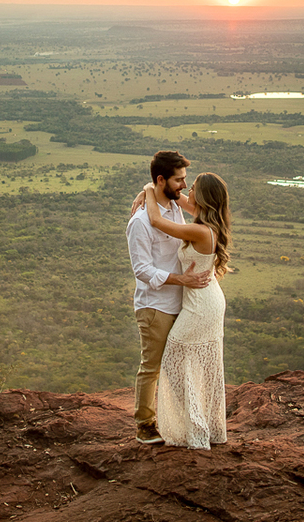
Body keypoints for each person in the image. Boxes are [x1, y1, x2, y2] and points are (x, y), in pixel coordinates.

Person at [141, 170, 232, 450]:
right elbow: (179, 200)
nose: (186, 192)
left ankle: (197, 428)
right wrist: (159, 190)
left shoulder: (199, 230)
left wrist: (147, 188)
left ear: (201, 196)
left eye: (191, 188)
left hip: (201, 306)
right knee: (200, 364)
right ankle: (207, 427)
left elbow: (156, 220)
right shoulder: (207, 222)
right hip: (206, 299)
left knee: (173, 360)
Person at [127, 150, 212, 446]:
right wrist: (182, 279)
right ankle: (144, 425)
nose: (184, 186)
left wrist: (147, 189)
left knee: (180, 364)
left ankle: (181, 420)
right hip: (156, 305)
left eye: (185, 180)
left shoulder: (175, 207)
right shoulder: (140, 222)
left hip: (182, 303)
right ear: (162, 180)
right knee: (152, 367)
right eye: (179, 180)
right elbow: (142, 270)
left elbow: (193, 210)